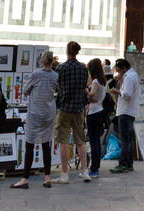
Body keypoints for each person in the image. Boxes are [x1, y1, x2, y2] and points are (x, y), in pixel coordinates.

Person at [12, 51, 57, 188]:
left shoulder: (36, 74)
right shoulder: (55, 75)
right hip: (49, 113)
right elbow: (58, 90)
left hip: (34, 113)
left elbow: (25, 90)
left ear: (42, 61)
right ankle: (47, 177)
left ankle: (25, 178)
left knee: (30, 145)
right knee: (45, 145)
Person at [55, 41, 90, 183]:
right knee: (80, 140)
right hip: (78, 108)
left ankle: (64, 174)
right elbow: (84, 87)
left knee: (63, 140)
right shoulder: (83, 68)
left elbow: (57, 86)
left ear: (67, 51)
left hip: (65, 107)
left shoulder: (61, 68)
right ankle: (85, 171)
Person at [111, 57, 140, 173]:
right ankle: (128, 163)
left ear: (124, 68)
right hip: (129, 111)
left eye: (119, 70)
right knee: (128, 139)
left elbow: (127, 94)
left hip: (125, 111)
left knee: (125, 139)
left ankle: (124, 163)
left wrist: (117, 91)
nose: (118, 73)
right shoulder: (133, 75)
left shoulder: (128, 77)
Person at [85, 58, 108, 179]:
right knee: (96, 142)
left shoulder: (95, 82)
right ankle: (96, 166)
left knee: (93, 141)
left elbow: (92, 94)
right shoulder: (103, 81)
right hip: (100, 110)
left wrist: (86, 91)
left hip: (93, 112)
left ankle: (93, 168)